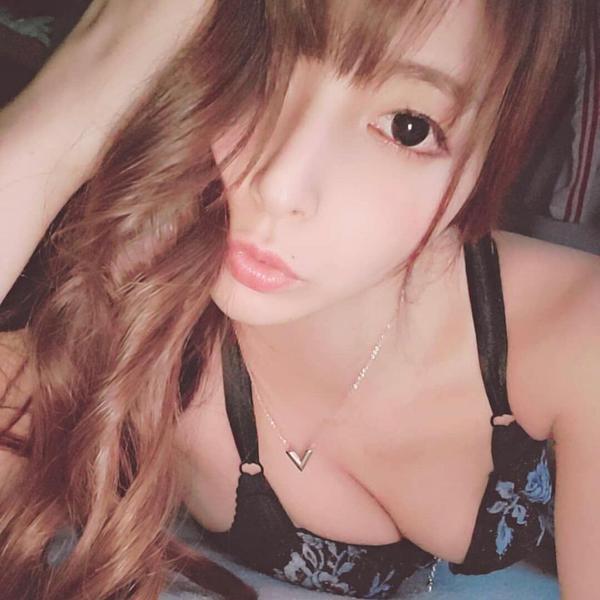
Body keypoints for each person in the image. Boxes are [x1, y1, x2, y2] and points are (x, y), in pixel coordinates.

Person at [0, 1, 598, 599]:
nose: (279, 184)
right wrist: (71, 105)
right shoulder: (139, 284)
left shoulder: (574, 327)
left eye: (407, 127)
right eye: (259, 69)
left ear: (494, 147)